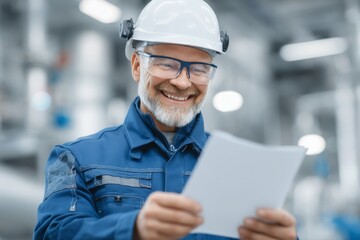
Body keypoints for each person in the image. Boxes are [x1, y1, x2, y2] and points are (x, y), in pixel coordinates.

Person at [34, 0, 298, 239]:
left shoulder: (241, 168)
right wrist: (133, 229)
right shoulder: (76, 159)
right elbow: (53, 234)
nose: (183, 82)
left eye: (199, 69)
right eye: (166, 64)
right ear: (137, 66)